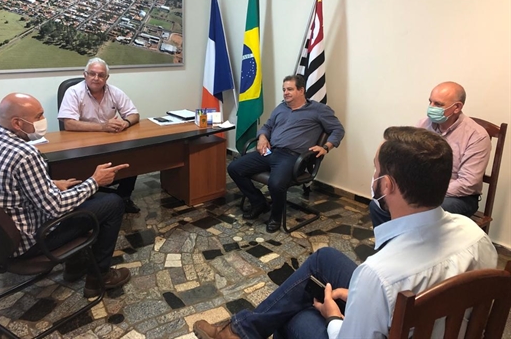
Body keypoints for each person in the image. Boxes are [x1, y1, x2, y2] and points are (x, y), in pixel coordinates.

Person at [193, 126, 497, 339]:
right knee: (324, 258)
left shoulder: (378, 275)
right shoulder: (477, 236)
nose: (373, 176)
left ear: (386, 186)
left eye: (376, 170)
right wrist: (362, 298)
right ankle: (238, 332)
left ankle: (240, 333)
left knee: (297, 314)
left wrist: (334, 317)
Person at [0, 93, 132, 298]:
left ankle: (75, 265)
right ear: (17, 123)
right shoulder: (25, 154)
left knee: (81, 194)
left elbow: (0, 182)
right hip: (30, 241)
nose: (43, 121)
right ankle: (99, 278)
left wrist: (50, 184)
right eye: (39, 116)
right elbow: (56, 207)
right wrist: (95, 181)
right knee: (112, 203)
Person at [228, 75, 345, 233]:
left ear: (301, 90)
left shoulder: (318, 110)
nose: (285, 93)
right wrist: (262, 138)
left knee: (275, 183)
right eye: (284, 89)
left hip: (293, 156)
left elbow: (338, 129)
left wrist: (326, 147)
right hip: (271, 151)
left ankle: (276, 216)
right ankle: (258, 202)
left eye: (290, 89)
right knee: (234, 168)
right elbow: (267, 126)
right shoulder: (281, 108)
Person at [369, 81, 491, 228]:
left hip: (458, 197)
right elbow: (407, 160)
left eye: (438, 104)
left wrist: (427, 193)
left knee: (417, 214)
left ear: (457, 107)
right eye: (430, 102)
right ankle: (391, 247)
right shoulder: (423, 125)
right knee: (378, 205)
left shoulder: (477, 136)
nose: (431, 108)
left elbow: (468, 183)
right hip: (419, 188)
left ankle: (416, 249)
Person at [58, 57, 141, 213]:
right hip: (82, 145)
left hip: (110, 141)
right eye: (92, 74)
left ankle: (124, 197)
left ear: (106, 78)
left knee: (131, 155)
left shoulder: (115, 92)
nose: (96, 78)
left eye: (101, 75)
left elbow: (134, 114)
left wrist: (125, 123)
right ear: (85, 74)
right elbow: (68, 123)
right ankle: (90, 199)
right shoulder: (74, 92)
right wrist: (102, 127)